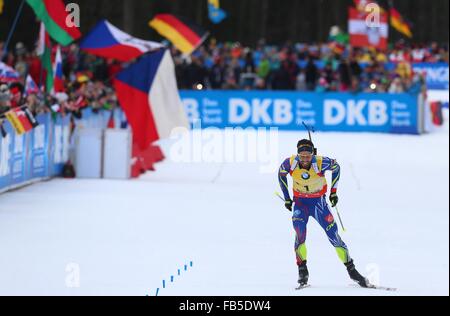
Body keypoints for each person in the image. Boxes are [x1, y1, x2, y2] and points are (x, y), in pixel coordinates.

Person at [278, 139, 369, 288]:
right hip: (300, 203)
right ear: (298, 154)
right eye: (302, 156)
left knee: (334, 236)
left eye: (308, 156)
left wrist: (333, 192)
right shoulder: (290, 162)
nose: (305, 159)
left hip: (318, 204)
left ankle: (352, 271)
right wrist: (287, 198)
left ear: (313, 154)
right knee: (300, 234)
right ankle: (302, 271)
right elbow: (281, 175)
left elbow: (336, 167)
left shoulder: (320, 162)